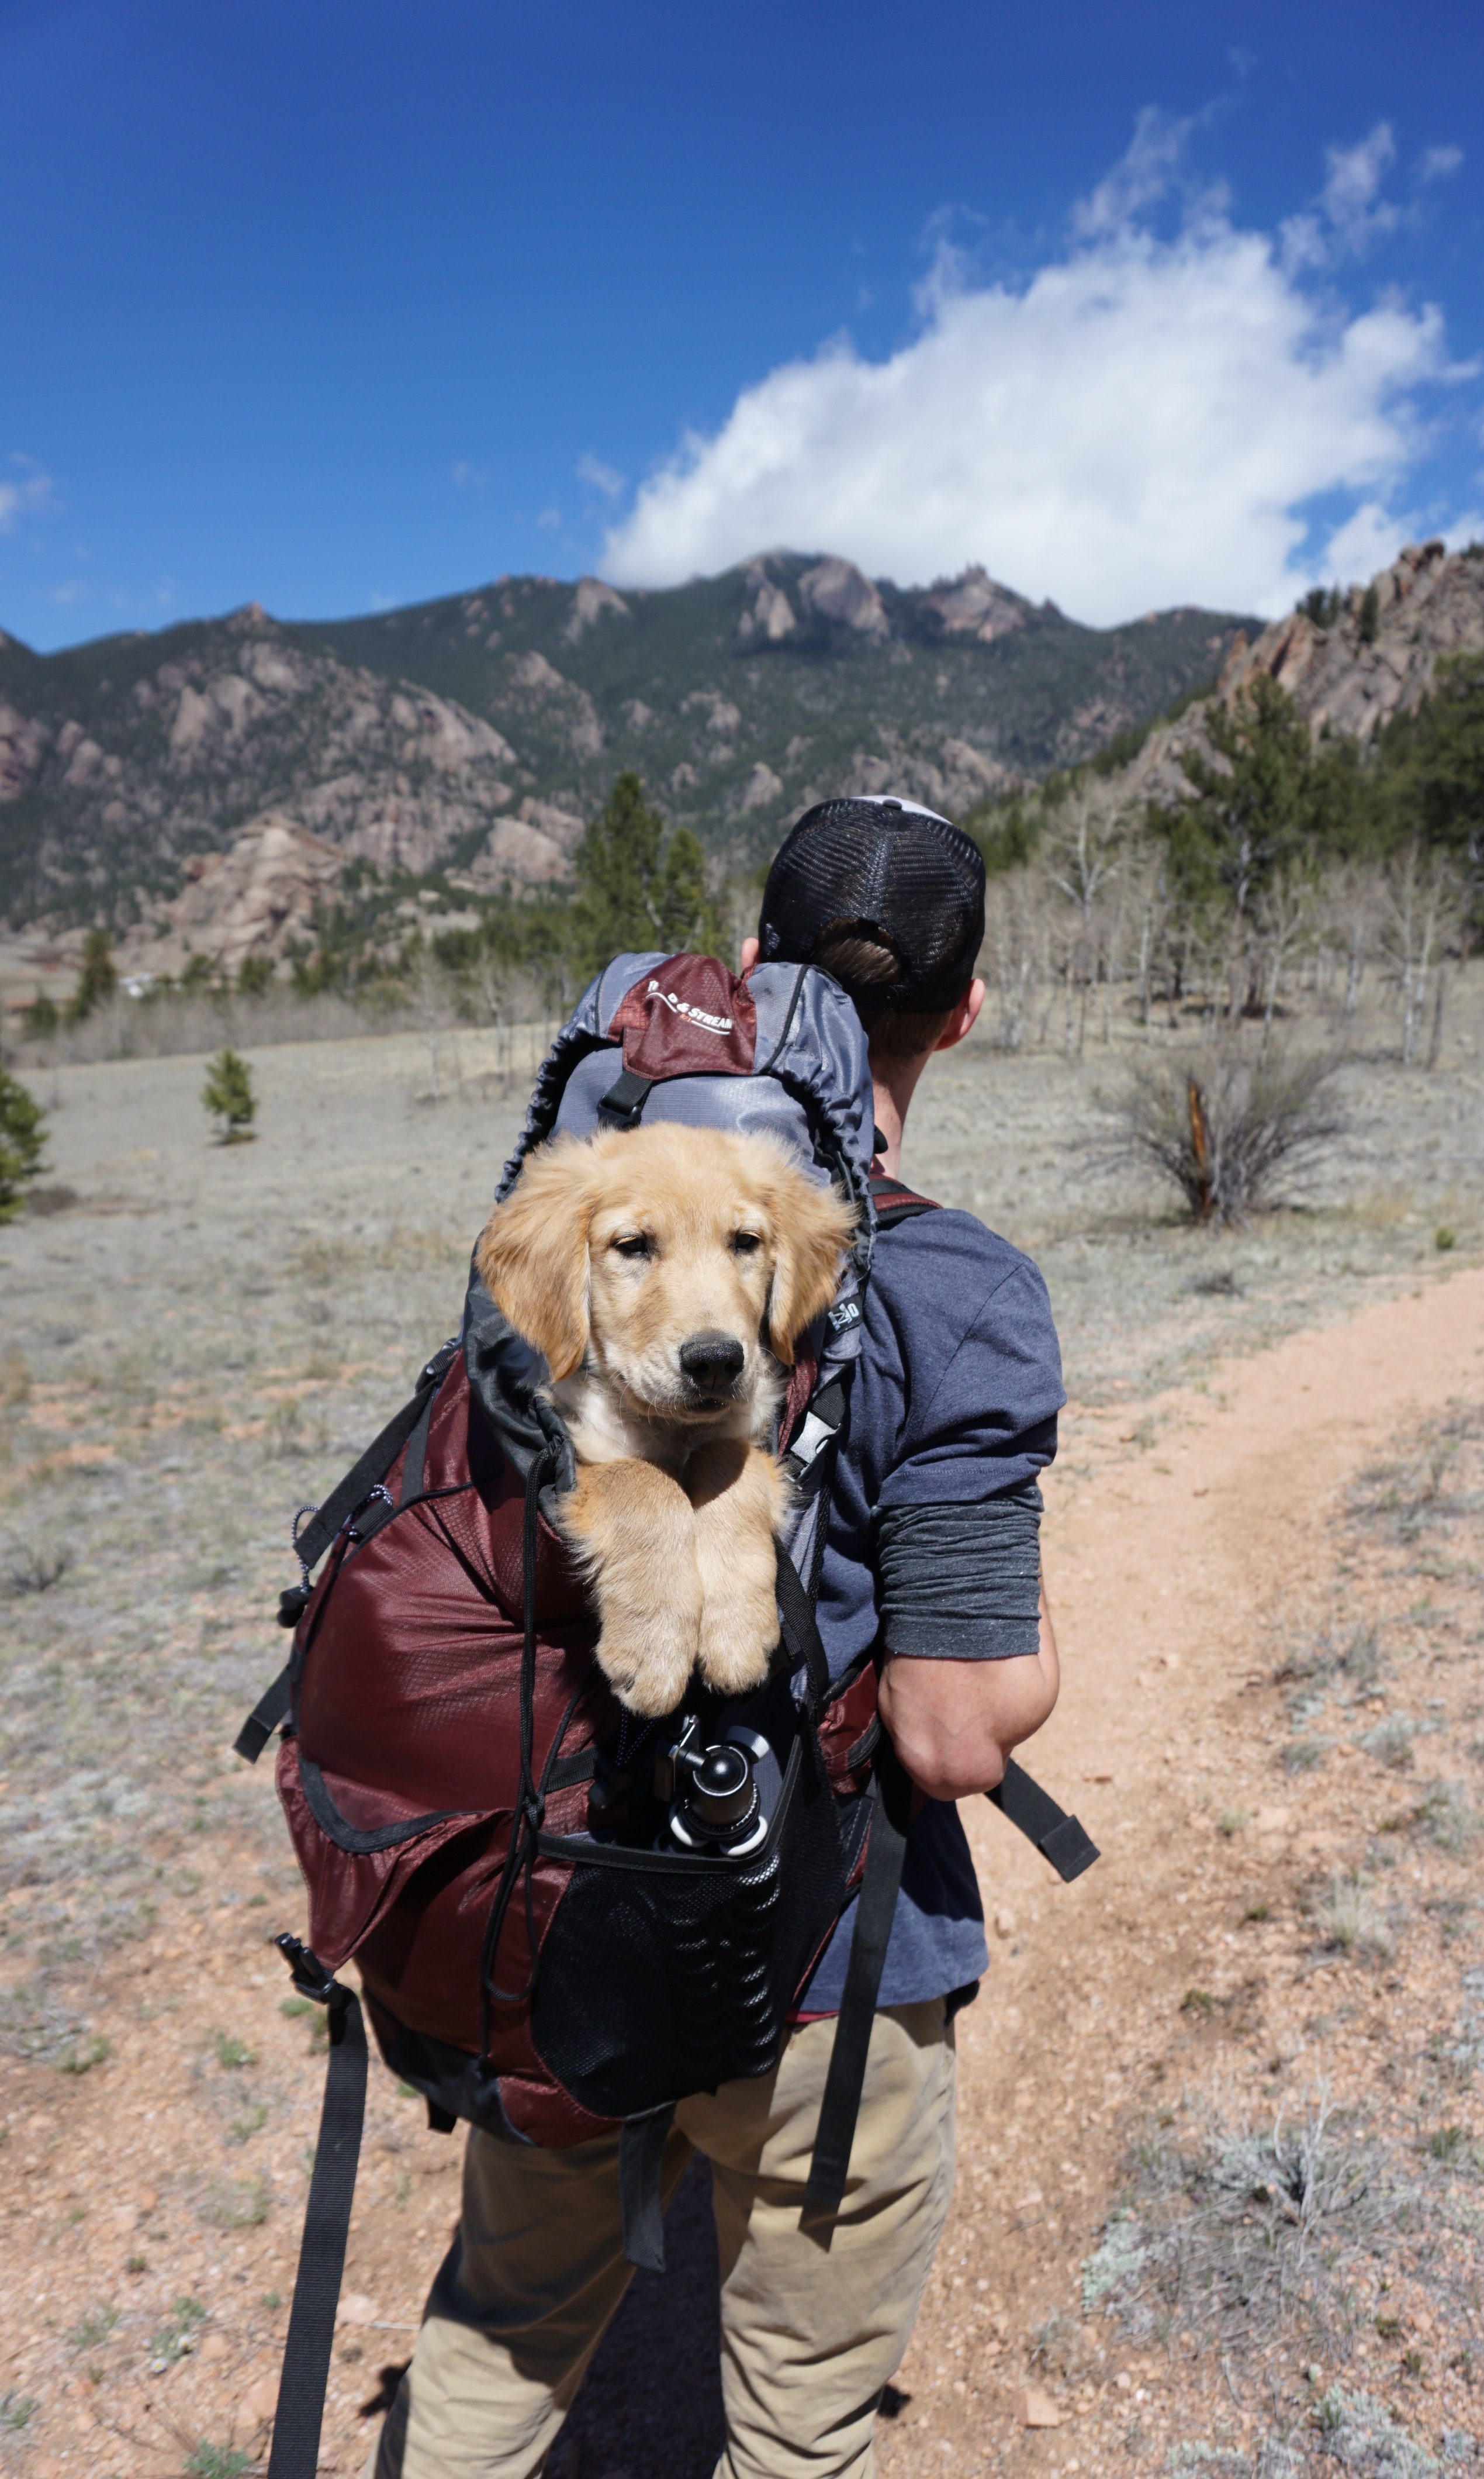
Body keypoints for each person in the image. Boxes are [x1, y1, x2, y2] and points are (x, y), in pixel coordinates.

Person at [370, 795, 1065, 2479]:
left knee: (498, 2336)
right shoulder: (957, 1290)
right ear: (965, 1012)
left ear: (746, 976)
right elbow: (956, 1732)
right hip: (825, 1972)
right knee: (795, 2421)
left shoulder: (590, 1230)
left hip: (556, 1911)